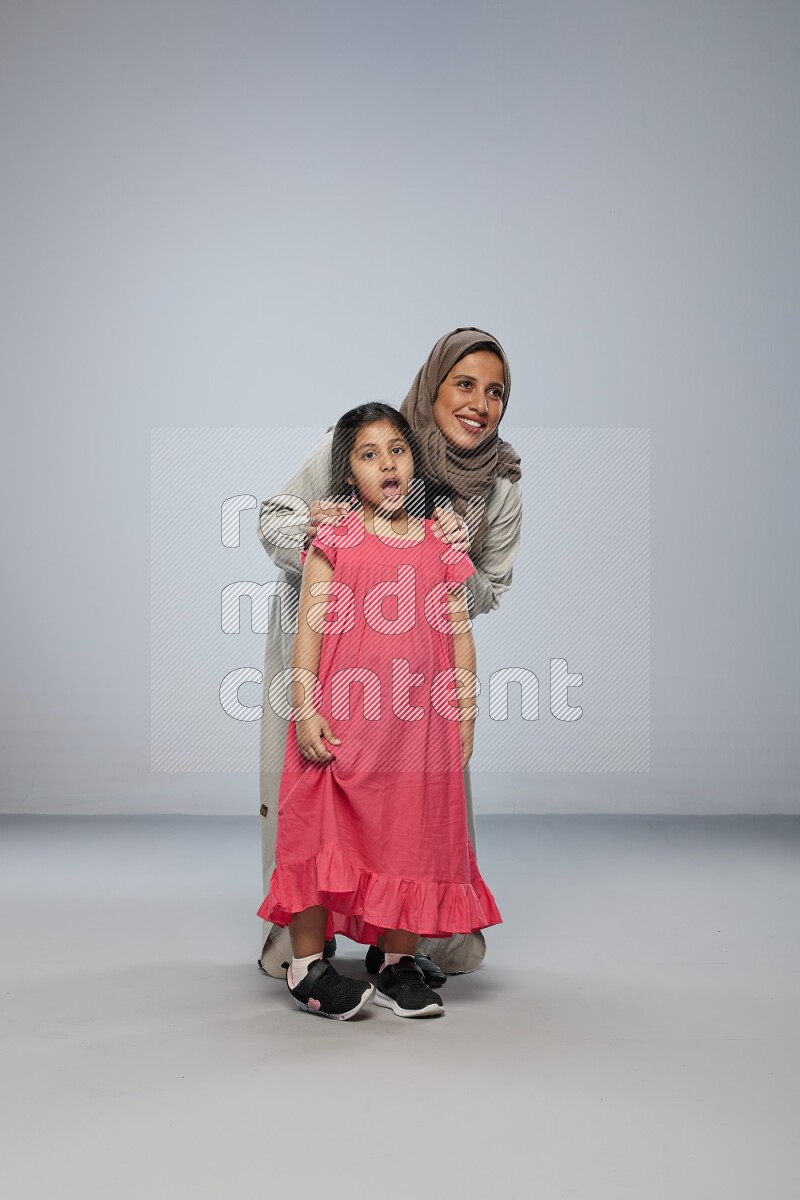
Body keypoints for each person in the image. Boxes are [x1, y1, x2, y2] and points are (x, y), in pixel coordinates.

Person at [257, 327, 522, 980]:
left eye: (496, 392)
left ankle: (404, 948)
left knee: (416, 815)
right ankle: (303, 949)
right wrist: (322, 532)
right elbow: (273, 520)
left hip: (417, 683)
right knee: (314, 804)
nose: (479, 403)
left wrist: (447, 557)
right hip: (329, 657)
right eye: (464, 384)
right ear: (433, 387)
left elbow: (486, 593)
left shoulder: (498, 488)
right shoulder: (370, 437)